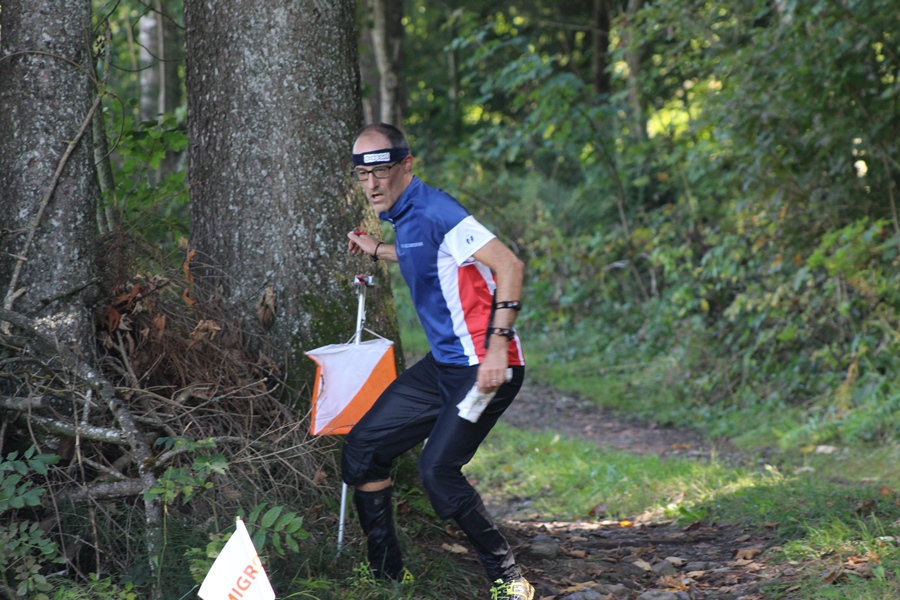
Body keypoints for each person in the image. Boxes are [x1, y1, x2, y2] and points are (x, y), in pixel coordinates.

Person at [342, 123, 534, 600]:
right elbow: (429, 254)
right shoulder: (404, 216)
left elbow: (510, 265)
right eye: (363, 175)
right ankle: (387, 576)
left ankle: (509, 580)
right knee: (364, 448)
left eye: (382, 172)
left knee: (437, 471)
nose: (372, 185)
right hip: (444, 366)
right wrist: (378, 249)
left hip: (486, 368)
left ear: (406, 166)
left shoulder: (437, 209)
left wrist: (496, 349)